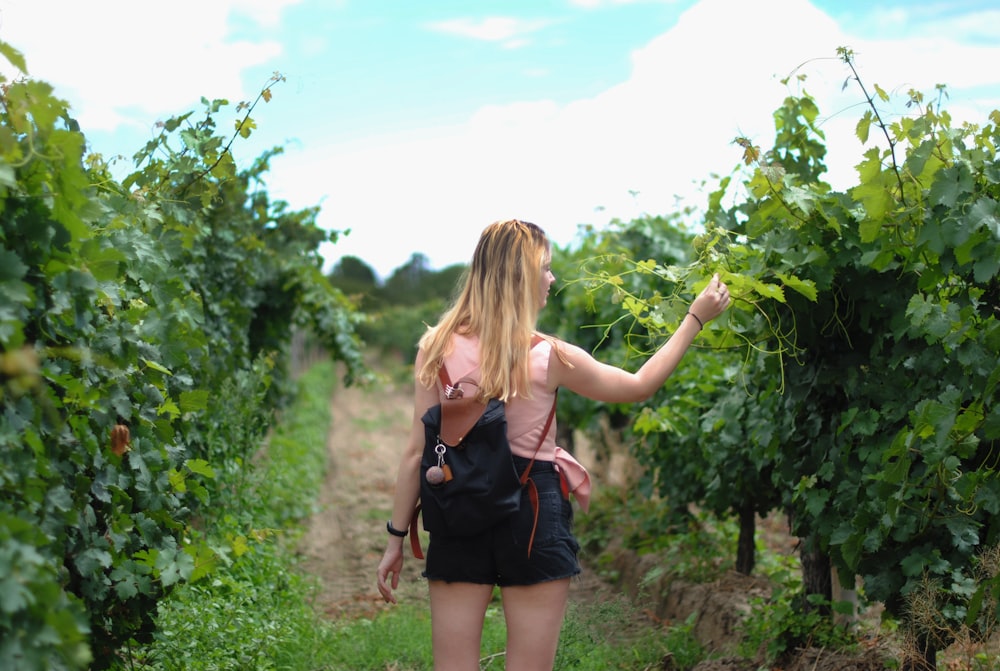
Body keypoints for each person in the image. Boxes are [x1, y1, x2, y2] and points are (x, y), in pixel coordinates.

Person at [376, 219, 730, 671]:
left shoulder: (435, 348)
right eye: (545, 268)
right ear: (521, 278)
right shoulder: (551, 356)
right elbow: (640, 385)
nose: (551, 278)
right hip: (531, 508)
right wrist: (695, 318)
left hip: (455, 505)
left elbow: (414, 454)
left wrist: (394, 540)